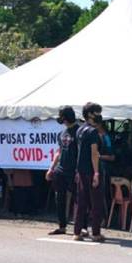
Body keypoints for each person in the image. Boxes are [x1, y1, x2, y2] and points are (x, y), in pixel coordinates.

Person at [74, 102, 106, 242]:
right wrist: (97, 173)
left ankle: (77, 232)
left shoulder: (79, 130)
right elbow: (94, 153)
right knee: (96, 202)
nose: (99, 115)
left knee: (81, 201)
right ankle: (96, 233)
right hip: (91, 170)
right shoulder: (93, 131)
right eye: (96, 112)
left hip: (81, 170)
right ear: (90, 114)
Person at [46, 107, 79, 235]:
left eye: (62, 117)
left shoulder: (78, 132)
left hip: (74, 170)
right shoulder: (62, 133)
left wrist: (78, 170)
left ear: (65, 117)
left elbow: (81, 153)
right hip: (61, 169)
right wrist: (51, 168)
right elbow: (58, 151)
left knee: (79, 199)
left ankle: (82, 226)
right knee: (59, 198)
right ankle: (62, 226)